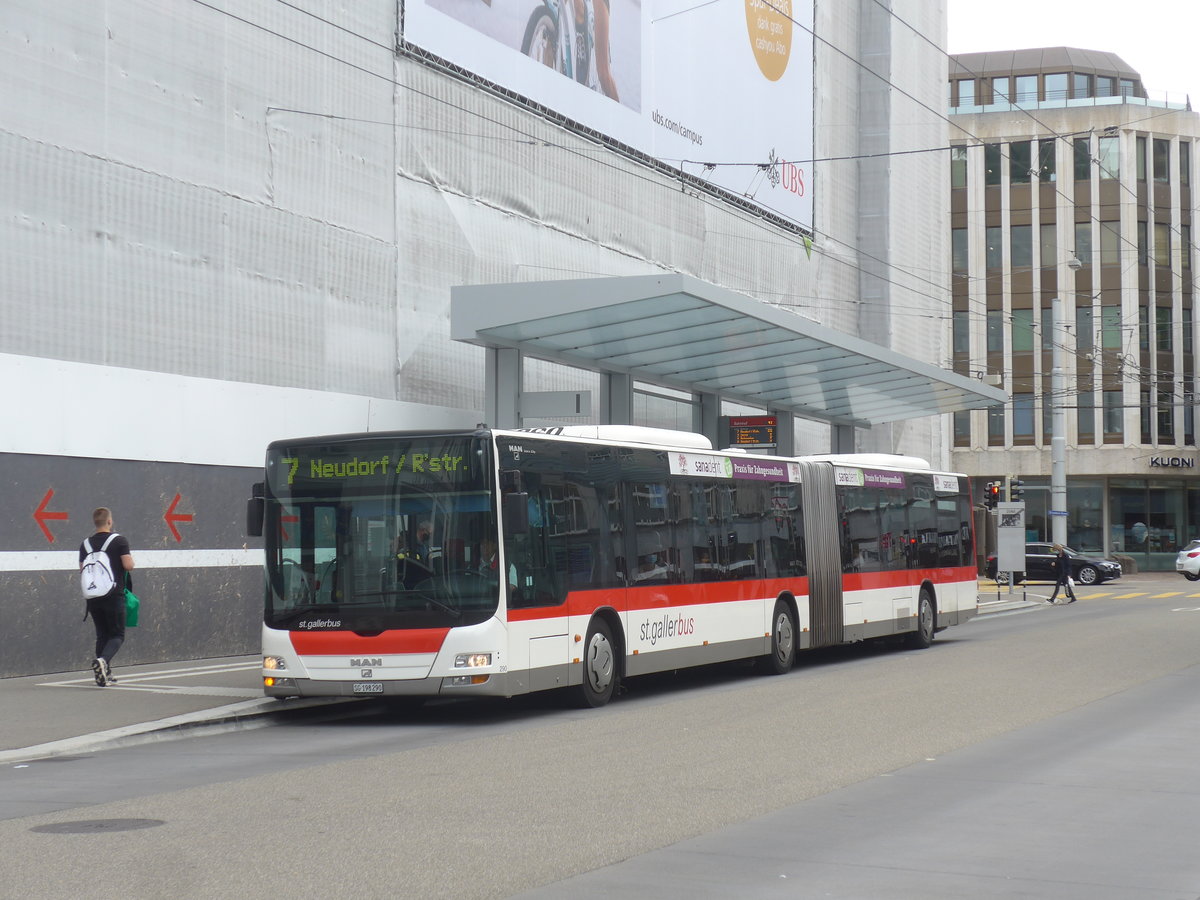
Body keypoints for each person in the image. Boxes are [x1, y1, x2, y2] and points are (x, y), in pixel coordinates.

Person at [79, 507, 135, 686]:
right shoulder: (119, 541)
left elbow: (82, 570)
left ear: (95, 523)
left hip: (93, 596)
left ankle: (105, 673)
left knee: (102, 635)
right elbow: (128, 565)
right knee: (117, 634)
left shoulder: (85, 544)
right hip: (113, 594)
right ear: (109, 522)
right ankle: (103, 661)